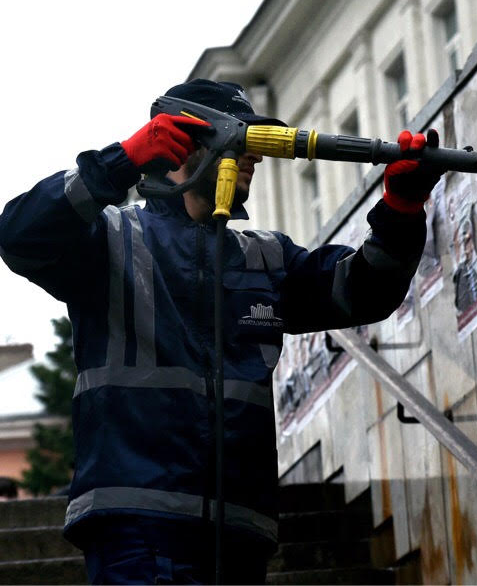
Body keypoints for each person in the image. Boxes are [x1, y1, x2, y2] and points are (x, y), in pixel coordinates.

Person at [0, 79, 444, 583]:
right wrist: (121, 161)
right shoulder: (111, 241)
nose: (253, 154)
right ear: (187, 142)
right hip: (138, 532)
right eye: (242, 139)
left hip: (239, 538)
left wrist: (401, 212)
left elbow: (364, 292)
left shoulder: (265, 257)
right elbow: (19, 235)